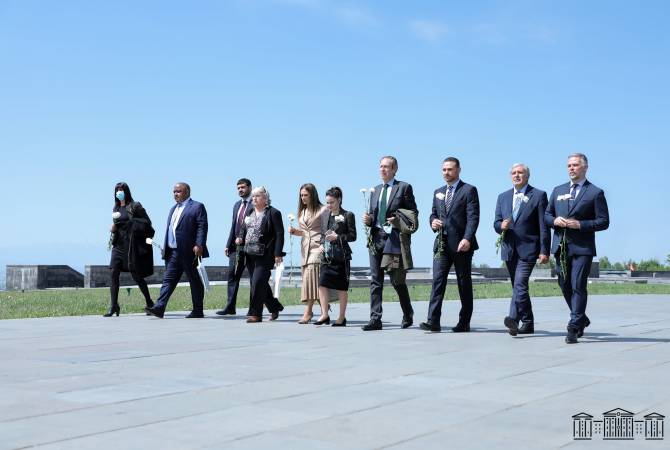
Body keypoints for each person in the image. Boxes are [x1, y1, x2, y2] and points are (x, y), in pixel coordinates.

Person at [545, 153, 609, 343]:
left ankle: (573, 327)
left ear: (585, 168)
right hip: (561, 247)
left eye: (575, 165)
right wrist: (555, 220)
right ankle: (581, 316)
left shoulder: (595, 192)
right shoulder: (558, 190)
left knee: (578, 285)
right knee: (564, 284)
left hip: (582, 248)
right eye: (568, 166)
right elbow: (547, 215)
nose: (571, 168)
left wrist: (580, 225)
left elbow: (603, 221)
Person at [420, 157, 480, 333]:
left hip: (462, 245)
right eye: (444, 170)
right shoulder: (438, 192)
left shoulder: (469, 190)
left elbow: (473, 217)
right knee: (437, 281)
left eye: (450, 169)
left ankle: (464, 322)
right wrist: (432, 222)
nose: (446, 172)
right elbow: (432, 214)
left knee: (463, 283)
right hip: (441, 244)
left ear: (458, 170)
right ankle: (433, 321)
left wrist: (467, 238)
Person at [361, 156, 418, 331]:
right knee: (375, 280)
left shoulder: (404, 187)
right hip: (376, 238)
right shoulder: (375, 190)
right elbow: (374, 214)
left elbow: (413, 213)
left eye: (386, 167)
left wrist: (397, 220)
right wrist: (368, 219)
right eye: (381, 166)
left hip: (393, 240)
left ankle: (408, 313)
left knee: (396, 280)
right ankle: (375, 319)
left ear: (394, 169)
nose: (382, 170)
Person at [493, 163, 550, 336]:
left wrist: (544, 250)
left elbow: (543, 226)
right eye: (514, 173)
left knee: (519, 284)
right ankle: (528, 322)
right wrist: (501, 226)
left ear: (527, 176)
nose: (517, 175)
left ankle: (513, 319)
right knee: (517, 286)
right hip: (509, 249)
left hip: (529, 249)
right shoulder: (503, 197)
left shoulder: (539, 195)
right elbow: (496, 224)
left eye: (520, 173)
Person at [145, 182, 209, 319]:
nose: (175, 194)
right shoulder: (173, 209)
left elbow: (202, 227)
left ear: (187, 192)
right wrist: (166, 247)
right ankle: (159, 307)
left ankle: (198, 310)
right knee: (168, 280)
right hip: (173, 252)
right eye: (174, 191)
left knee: (195, 281)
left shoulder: (197, 207)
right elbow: (170, 230)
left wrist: (199, 244)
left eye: (178, 191)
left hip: (190, 252)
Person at [235, 186, 285, 323]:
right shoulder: (249, 212)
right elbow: (243, 229)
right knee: (259, 283)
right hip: (249, 253)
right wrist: (240, 237)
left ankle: (256, 314)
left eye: (257, 196)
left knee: (257, 282)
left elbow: (279, 234)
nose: (254, 198)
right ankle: (274, 306)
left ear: (265, 198)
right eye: (253, 196)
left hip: (265, 254)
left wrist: (278, 253)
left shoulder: (273, 213)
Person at [105, 182, 155, 316]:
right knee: (113, 272)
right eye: (117, 190)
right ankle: (114, 305)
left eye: (121, 190)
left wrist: (131, 223)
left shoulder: (135, 206)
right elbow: (117, 224)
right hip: (118, 245)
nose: (119, 192)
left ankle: (149, 302)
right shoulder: (115, 208)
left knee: (136, 275)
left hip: (131, 245)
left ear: (127, 191)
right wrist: (113, 228)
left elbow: (147, 223)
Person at [288, 183, 327, 324]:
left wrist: (324, 244)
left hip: (318, 248)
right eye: (301, 195)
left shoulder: (323, 210)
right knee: (312, 281)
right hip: (305, 249)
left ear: (312, 195)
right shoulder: (302, 211)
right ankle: (325, 309)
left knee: (310, 278)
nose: (303, 198)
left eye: (305, 195)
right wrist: (295, 231)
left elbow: (326, 229)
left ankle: (308, 312)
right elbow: (304, 232)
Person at [318, 187, 357, 326]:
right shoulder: (325, 215)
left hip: (341, 256)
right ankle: (324, 315)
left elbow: (353, 236)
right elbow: (323, 234)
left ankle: (341, 317)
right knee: (321, 284)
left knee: (342, 287)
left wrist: (338, 237)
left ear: (339, 200)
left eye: (332, 202)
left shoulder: (348, 215)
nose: (329, 205)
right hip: (326, 256)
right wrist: (321, 244)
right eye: (327, 202)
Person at [216, 178, 253, 316]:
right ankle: (230, 307)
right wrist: (228, 244)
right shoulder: (237, 205)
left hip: (251, 247)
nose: (240, 190)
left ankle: (253, 308)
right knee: (232, 275)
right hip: (235, 247)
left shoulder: (255, 204)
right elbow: (234, 225)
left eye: (243, 187)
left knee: (253, 278)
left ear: (249, 187)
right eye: (238, 188)